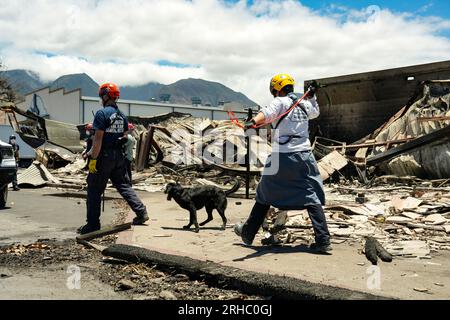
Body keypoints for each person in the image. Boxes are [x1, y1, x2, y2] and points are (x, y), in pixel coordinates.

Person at [234, 74, 332, 254]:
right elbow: (315, 112)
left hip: (281, 156)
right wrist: (312, 96)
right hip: (304, 155)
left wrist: (252, 121)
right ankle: (323, 239)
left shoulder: (280, 101)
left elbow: (268, 112)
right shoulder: (304, 104)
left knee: (264, 193)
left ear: (276, 89)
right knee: (311, 194)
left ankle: (248, 233)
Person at [77, 83, 149, 235]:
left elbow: (98, 140)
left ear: (105, 96)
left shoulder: (101, 114)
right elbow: (124, 136)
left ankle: (93, 224)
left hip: (103, 157)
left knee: (94, 190)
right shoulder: (122, 116)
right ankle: (141, 212)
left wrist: (93, 159)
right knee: (124, 185)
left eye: (101, 96)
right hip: (118, 157)